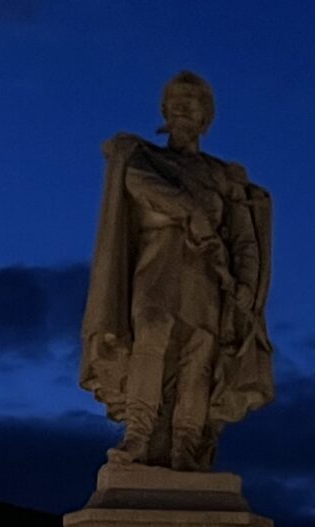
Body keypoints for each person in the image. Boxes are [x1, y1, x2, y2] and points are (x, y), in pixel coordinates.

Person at [78, 71, 274, 471]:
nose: (183, 107)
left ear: (206, 117)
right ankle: (138, 435)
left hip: (206, 280)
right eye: (176, 100)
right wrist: (192, 213)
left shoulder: (221, 176)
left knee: (198, 356)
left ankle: (187, 444)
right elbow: (143, 188)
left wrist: (247, 286)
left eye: (193, 101)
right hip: (157, 269)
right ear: (165, 110)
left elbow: (244, 240)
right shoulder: (144, 159)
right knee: (150, 340)